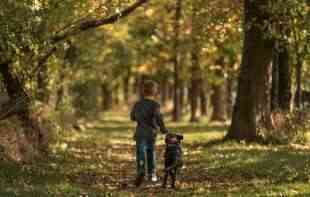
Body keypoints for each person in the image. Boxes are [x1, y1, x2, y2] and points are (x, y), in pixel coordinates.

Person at [130, 80, 168, 187]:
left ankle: (140, 171)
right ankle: (151, 174)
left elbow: (132, 117)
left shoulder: (137, 104)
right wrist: (164, 129)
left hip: (140, 133)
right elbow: (158, 118)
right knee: (151, 153)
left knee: (140, 153)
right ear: (154, 92)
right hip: (151, 133)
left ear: (143, 91)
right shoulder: (155, 105)